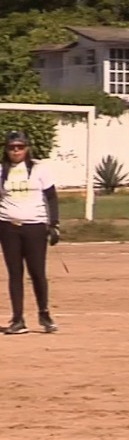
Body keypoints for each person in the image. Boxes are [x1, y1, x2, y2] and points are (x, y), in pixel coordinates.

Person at [0, 130, 60, 335]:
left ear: (27, 148)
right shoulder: (1, 170)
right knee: (15, 274)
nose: (16, 151)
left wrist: (54, 224)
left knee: (37, 272)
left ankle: (44, 313)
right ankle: (18, 319)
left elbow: (51, 197)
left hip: (35, 226)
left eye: (20, 147)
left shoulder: (39, 169)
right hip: (8, 226)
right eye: (11, 147)